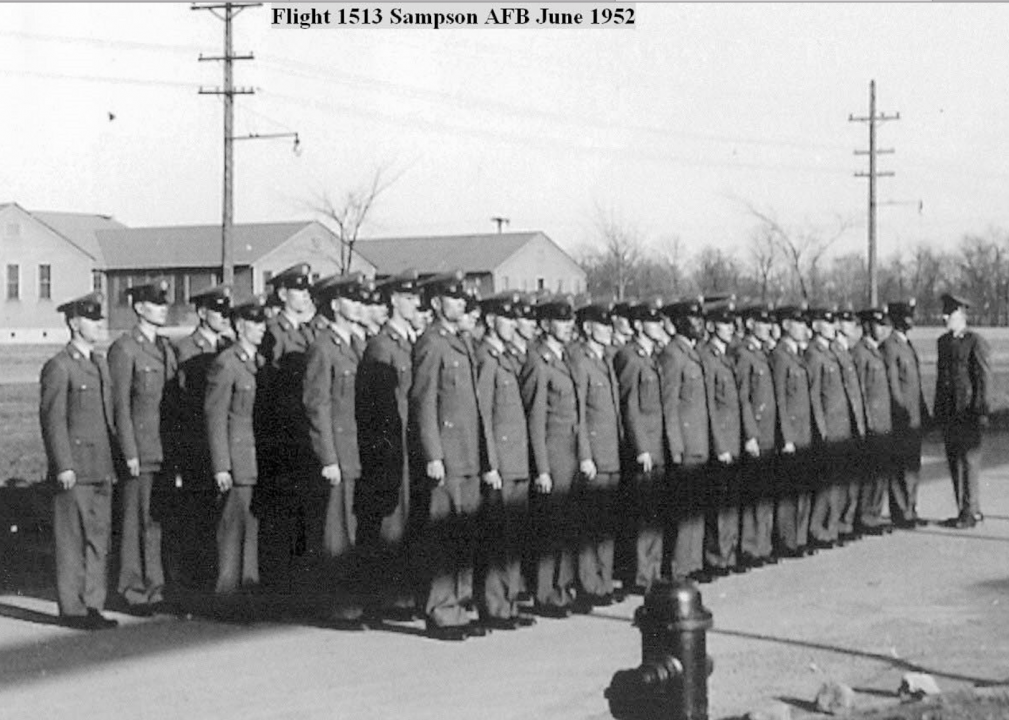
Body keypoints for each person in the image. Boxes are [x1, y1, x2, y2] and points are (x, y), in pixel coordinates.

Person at [410, 270, 490, 641]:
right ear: (437, 302)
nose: (461, 303)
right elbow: (424, 402)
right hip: (448, 454)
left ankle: (459, 605)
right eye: (453, 297)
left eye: (463, 298)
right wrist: (432, 454)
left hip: (469, 454)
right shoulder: (432, 343)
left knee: (464, 536)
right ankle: (441, 610)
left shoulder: (462, 341)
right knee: (443, 537)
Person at [40, 292, 119, 630]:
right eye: (92, 318)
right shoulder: (60, 366)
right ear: (74, 323)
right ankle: (72, 608)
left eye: (100, 318)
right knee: (72, 538)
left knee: (99, 537)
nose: (99, 324)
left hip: (102, 464)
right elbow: (53, 419)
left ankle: (93, 604)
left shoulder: (99, 363)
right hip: (75, 468)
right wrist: (63, 464)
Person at [303, 273, 373, 628]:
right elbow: (318, 406)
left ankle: (353, 602)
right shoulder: (323, 347)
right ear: (334, 305)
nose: (360, 305)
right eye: (353, 299)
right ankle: (337, 606)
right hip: (339, 452)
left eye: (362, 300)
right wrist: (327, 457)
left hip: (359, 451)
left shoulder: (359, 345)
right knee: (336, 531)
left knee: (354, 529)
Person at [355, 269, 423, 618]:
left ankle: (402, 595)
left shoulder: (410, 343)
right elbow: (376, 407)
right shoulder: (382, 346)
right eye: (409, 298)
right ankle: (384, 598)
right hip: (391, 447)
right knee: (390, 524)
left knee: (407, 522)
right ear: (394, 300)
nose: (416, 304)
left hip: (410, 444)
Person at [108, 279, 177, 615]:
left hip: (163, 448)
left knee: (155, 521)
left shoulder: (165, 348)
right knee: (134, 520)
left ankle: (155, 587)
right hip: (140, 448)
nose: (163, 307)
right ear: (138, 307)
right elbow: (119, 405)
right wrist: (129, 452)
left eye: (164, 303)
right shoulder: (125, 348)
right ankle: (131, 590)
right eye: (155, 302)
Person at [473, 292, 537, 629]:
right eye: (506, 318)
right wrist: (490, 464)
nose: (512, 325)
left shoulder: (507, 358)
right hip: (501, 461)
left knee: (513, 536)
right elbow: (483, 415)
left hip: (517, 460)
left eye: (515, 319)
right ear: (490, 321)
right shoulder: (485, 358)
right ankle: (495, 605)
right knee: (498, 538)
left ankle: (509, 602)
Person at [204, 294, 269, 616]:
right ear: (241, 326)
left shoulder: (257, 362)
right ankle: (227, 599)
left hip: (255, 458)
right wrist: (221, 465)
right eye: (255, 323)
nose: (261, 328)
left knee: (251, 529)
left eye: (262, 322)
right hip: (237, 457)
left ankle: (248, 595)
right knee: (233, 529)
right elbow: (215, 416)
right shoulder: (226, 363)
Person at [256, 263, 316, 607]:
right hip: (281, 437)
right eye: (298, 289)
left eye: (307, 289)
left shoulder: (307, 333)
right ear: (282, 294)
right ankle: (278, 590)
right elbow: (269, 388)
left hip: (302, 435)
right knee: (280, 516)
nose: (305, 294)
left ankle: (297, 588)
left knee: (300, 516)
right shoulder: (273, 333)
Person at [520, 295, 584, 618]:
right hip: (553, 451)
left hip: (570, 451)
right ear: (545, 325)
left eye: (571, 320)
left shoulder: (565, 358)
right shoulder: (538, 362)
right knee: (549, 526)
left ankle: (562, 587)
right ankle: (546, 593)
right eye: (561, 320)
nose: (569, 325)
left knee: (566, 524)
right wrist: (541, 468)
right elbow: (535, 420)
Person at [169, 284, 232, 596]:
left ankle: (214, 583)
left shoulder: (229, 345)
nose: (223, 316)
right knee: (196, 517)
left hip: (222, 442)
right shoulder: (185, 348)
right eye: (217, 310)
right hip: (195, 442)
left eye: (226, 311)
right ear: (202, 313)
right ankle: (192, 588)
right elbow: (179, 403)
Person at [569, 300, 622, 610]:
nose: (609, 331)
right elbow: (580, 414)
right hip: (595, 454)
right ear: (588, 328)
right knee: (591, 523)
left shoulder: (604, 360)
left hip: (611, 451)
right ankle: (589, 584)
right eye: (603, 325)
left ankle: (603, 581)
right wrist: (585, 455)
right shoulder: (581, 360)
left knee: (606, 522)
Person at [613, 299, 668, 591]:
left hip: (657, 443)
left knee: (654, 512)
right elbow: (630, 406)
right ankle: (642, 575)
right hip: (645, 447)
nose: (659, 326)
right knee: (644, 513)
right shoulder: (631, 358)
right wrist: (640, 447)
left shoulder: (650, 356)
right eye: (653, 321)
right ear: (637, 325)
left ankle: (654, 572)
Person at [657, 298, 709, 581]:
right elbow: (669, 405)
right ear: (679, 322)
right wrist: (675, 447)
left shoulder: (692, 353)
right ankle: (679, 568)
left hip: (699, 441)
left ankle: (692, 564)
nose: (699, 324)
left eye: (701, 319)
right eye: (693, 319)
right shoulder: (673, 355)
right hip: (686, 444)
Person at [934, 292, 991, 529]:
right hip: (950, 413)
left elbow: (983, 377)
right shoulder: (943, 342)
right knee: (954, 460)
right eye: (945, 312)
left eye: (950, 313)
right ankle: (966, 509)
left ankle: (969, 509)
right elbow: (941, 379)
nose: (945, 316)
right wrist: (938, 412)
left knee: (968, 462)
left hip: (968, 412)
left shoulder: (975, 341)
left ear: (961, 315)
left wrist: (981, 409)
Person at [699, 301, 742, 576]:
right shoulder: (707, 357)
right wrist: (719, 443)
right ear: (712, 326)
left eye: (731, 323)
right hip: (721, 438)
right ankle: (716, 557)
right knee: (717, 501)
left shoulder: (726, 356)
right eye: (724, 324)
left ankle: (728, 554)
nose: (730, 328)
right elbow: (711, 407)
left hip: (733, 435)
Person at [804, 308, 852, 550]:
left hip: (841, 426)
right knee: (826, 484)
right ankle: (818, 530)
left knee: (837, 482)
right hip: (829, 428)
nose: (833, 326)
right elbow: (813, 396)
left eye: (834, 321)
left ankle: (831, 528)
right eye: (827, 322)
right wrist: (821, 430)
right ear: (815, 325)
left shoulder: (832, 352)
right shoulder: (814, 354)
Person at [733, 304, 777, 568]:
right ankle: (750, 548)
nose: (768, 326)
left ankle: (762, 545)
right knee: (753, 494)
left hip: (769, 431)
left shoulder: (761, 354)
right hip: (756, 433)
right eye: (762, 321)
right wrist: (749, 434)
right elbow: (742, 398)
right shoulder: (744, 355)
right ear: (749, 324)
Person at [881, 299, 931, 528]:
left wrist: (923, 412)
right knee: (900, 466)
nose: (910, 321)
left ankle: (911, 508)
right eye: (906, 316)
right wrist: (900, 411)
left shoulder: (908, 345)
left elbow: (915, 385)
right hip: (900, 417)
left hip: (914, 416)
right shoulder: (890, 347)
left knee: (912, 465)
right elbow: (892, 384)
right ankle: (901, 512)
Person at [770, 306, 814, 558]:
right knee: (789, 491)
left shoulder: (796, 355)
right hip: (792, 434)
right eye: (798, 323)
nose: (804, 327)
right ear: (786, 325)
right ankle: (788, 541)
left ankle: (798, 537)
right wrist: (786, 436)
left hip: (803, 431)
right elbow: (779, 400)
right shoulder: (780, 356)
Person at [851, 307, 894, 535]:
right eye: (879, 325)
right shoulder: (860, 352)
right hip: (871, 423)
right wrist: (865, 423)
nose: (883, 329)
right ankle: (866, 516)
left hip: (883, 422)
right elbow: (858, 391)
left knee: (880, 471)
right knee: (870, 472)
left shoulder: (876, 351)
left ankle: (875, 514)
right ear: (867, 326)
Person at [831, 308, 867, 541]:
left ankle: (845, 523)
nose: (853, 327)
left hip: (853, 422)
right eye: (847, 322)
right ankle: (837, 525)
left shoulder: (848, 352)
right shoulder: (834, 351)